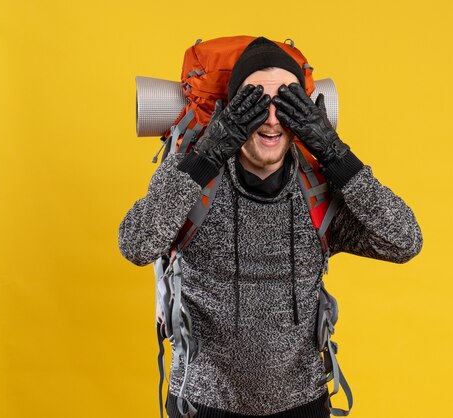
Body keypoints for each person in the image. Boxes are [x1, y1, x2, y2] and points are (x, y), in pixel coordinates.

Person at [119, 37, 423, 418]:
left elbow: (404, 240)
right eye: (255, 102)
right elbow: (136, 244)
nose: (272, 117)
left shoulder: (317, 187)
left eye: (287, 101)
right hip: (202, 403)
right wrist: (206, 155)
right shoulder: (194, 174)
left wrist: (334, 152)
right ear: (230, 111)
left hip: (303, 402)